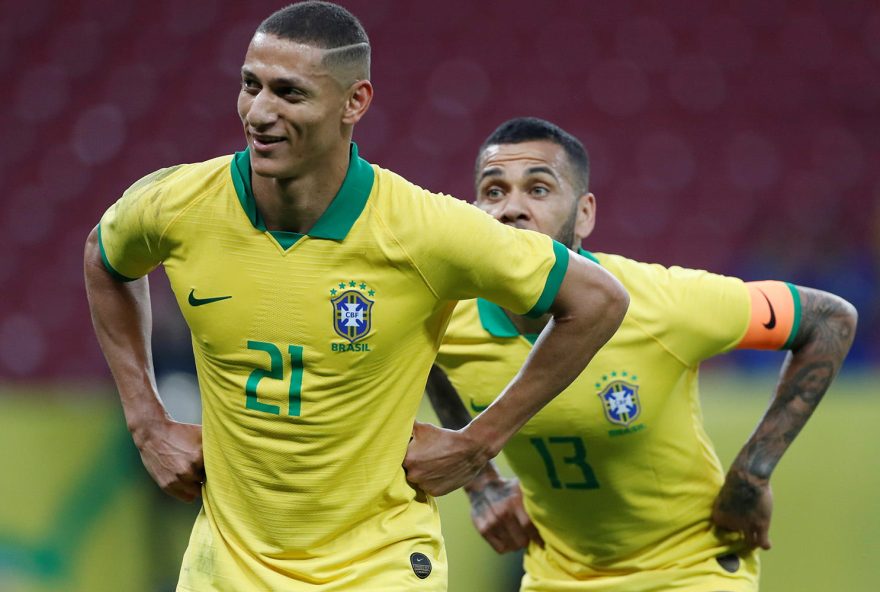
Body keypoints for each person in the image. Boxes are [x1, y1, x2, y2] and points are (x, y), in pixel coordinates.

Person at [83, 4, 628, 591]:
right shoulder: (182, 204)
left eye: (289, 93)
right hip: (225, 568)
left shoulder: (423, 229)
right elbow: (104, 257)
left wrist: (480, 441)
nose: (260, 113)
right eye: (250, 85)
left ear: (355, 102)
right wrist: (147, 422)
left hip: (378, 566)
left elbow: (597, 299)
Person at [427, 117, 858, 592]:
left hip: (690, 571)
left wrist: (753, 471)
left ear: (585, 214)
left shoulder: (663, 303)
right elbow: (429, 357)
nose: (511, 209)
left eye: (538, 190)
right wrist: (483, 484)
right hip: (556, 576)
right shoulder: (446, 315)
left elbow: (829, 319)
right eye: (493, 191)